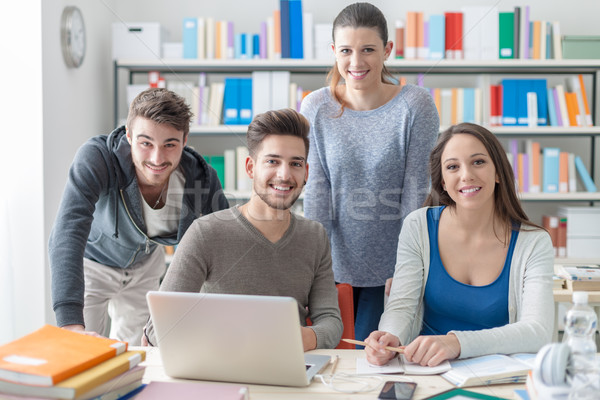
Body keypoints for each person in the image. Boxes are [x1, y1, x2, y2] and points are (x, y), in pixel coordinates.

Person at [143, 108, 343, 350]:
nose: (285, 174)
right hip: (221, 367)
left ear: (306, 173)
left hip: (290, 366)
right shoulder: (206, 232)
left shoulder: (314, 236)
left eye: (296, 164)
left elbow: (330, 320)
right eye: (272, 161)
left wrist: (306, 338)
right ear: (250, 167)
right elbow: (158, 327)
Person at [300, 2, 439, 343]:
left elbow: (416, 191)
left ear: (387, 50)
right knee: (332, 358)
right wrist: (312, 270)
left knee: (379, 358)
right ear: (334, 51)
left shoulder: (415, 105)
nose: (356, 62)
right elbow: (317, 192)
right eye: (346, 50)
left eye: (368, 50)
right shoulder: (315, 106)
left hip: (393, 266)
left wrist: (407, 269)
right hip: (332, 266)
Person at [365, 123, 554, 367]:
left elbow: (537, 331)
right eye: (453, 167)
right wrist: (390, 337)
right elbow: (401, 306)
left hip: (499, 374)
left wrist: (455, 344)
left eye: (478, 162)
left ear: (498, 172)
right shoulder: (418, 226)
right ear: (443, 181)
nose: (466, 175)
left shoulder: (533, 242)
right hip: (429, 370)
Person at [49, 88, 229, 344]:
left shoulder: (202, 177)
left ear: (185, 140)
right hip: (92, 266)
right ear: (130, 136)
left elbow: (223, 246)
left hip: (145, 267)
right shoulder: (97, 158)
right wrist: (69, 321)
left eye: (170, 144)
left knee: (137, 357)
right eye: (146, 143)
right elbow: (67, 232)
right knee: (81, 349)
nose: (157, 158)